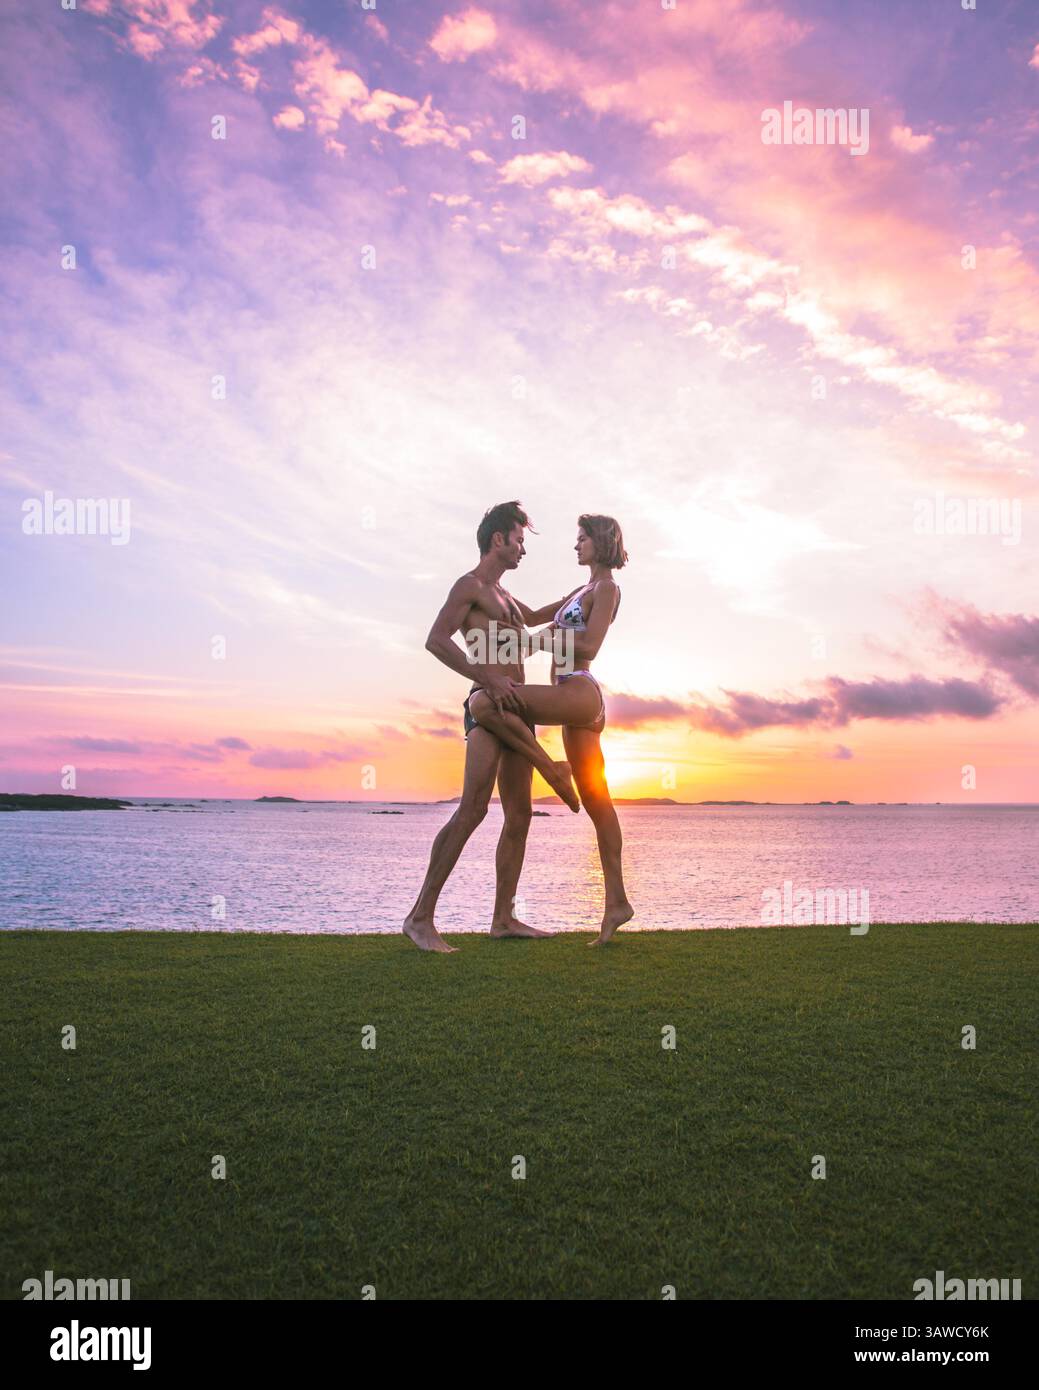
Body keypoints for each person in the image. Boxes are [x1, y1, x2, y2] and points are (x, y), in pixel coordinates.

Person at [402, 501, 575, 954]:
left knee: (519, 815)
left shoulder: (505, 597)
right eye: (519, 540)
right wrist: (486, 677)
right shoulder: (471, 586)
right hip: (487, 710)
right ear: (498, 539)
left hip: (519, 710)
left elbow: (538, 617)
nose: (522, 549)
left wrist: (584, 594)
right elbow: (436, 639)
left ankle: (503, 918)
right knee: (473, 808)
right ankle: (420, 917)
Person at [466, 515, 634, 945]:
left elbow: (590, 646)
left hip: (580, 689)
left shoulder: (607, 589)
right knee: (597, 801)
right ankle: (617, 902)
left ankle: (550, 771)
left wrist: (532, 643)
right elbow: (528, 614)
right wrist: (491, 589)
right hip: (567, 695)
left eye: (582, 539)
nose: (576, 546)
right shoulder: (578, 591)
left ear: (601, 541)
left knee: (486, 700)